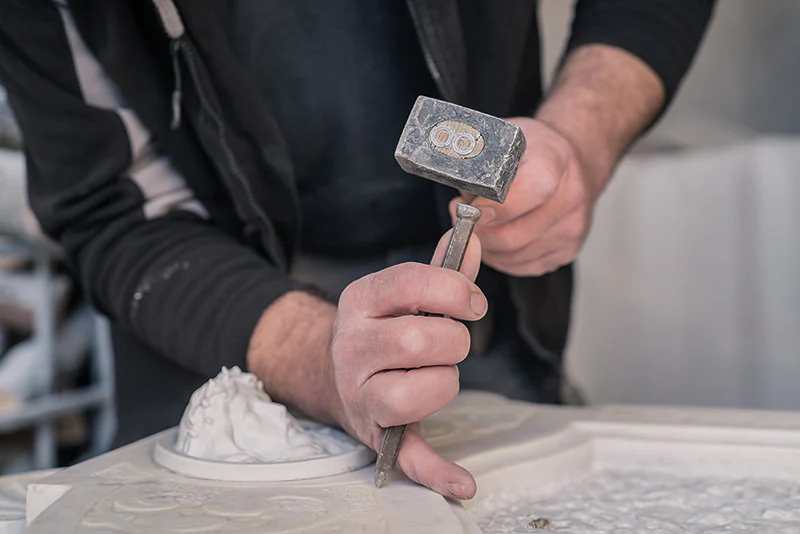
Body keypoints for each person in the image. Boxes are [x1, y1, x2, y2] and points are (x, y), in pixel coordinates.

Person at [0, 1, 714, 499]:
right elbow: (109, 207)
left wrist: (582, 134)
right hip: (210, 348)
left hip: (484, 322)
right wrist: (313, 355)